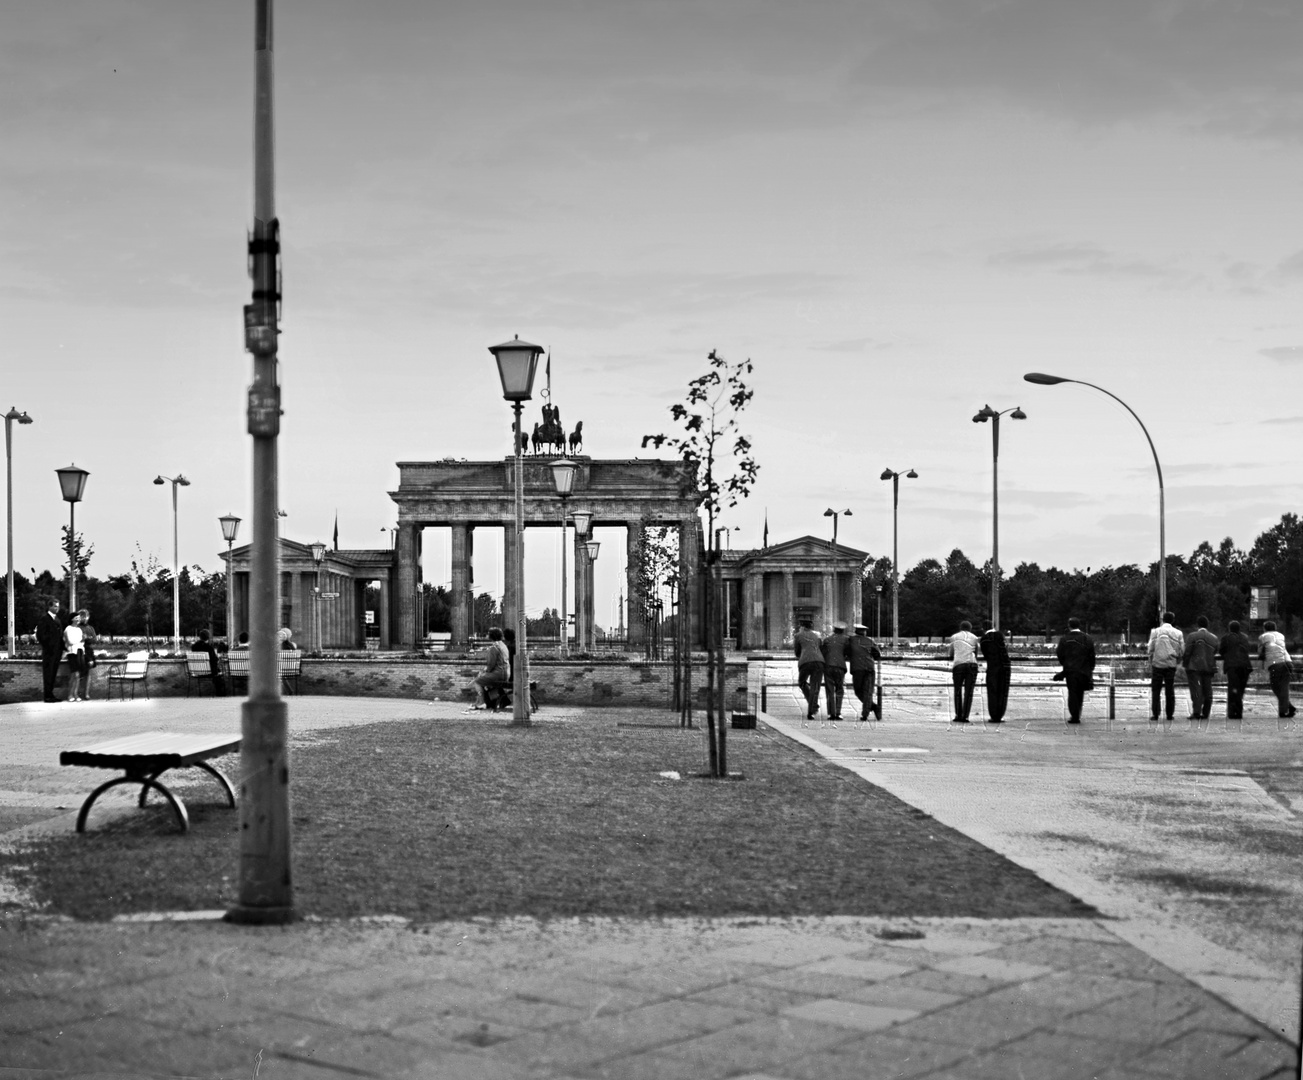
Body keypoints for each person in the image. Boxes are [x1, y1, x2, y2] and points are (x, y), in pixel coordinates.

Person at [1056, 617, 1096, 724]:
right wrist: (1090, 668)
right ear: (1079, 625)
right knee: (1080, 693)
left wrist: (1065, 664)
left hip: (1070, 670)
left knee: (1072, 692)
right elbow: (1092, 655)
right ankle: (1077, 713)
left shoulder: (1064, 639)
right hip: (1084, 670)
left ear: (1069, 625)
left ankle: (1074, 715)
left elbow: (1060, 654)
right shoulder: (1087, 638)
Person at [1147, 612, 1184, 722]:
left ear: (1162, 619)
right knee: (1170, 690)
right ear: (1173, 620)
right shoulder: (1178, 633)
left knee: (1156, 690)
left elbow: (1150, 648)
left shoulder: (1155, 632)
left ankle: (1155, 714)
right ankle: (1169, 714)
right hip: (1170, 664)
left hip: (1157, 664)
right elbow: (1182, 650)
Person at [1182, 616, 1219, 720]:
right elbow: (1215, 651)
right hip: (1208, 667)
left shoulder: (1192, 636)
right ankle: (1206, 713)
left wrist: (1185, 664)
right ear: (1208, 625)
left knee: (1196, 690)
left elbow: (1188, 651)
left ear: (1197, 625)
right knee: (1208, 690)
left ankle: (1196, 712)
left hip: (1194, 667)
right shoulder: (1214, 638)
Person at [1259, 621, 1296, 719]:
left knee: (1276, 687)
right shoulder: (1281, 635)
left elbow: (1260, 651)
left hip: (1276, 664)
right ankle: (1288, 707)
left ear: (1265, 628)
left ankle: (1284, 712)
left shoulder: (1263, 636)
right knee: (1283, 687)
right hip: (1288, 662)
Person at [1217, 620, 1253, 721]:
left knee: (1233, 689)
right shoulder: (1244, 637)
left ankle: (1233, 712)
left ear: (1229, 628)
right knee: (1241, 689)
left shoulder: (1226, 638)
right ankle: (1238, 711)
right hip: (1245, 666)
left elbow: (1221, 651)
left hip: (1232, 666)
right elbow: (1247, 648)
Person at [793, 616, 824, 725]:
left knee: (802, 682)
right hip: (819, 662)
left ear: (802, 626)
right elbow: (821, 647)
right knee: (815, 686)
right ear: (811, 626)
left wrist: (801, 655)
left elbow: (797, 651)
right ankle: (812, 710)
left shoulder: (798, 635)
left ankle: (812, 702)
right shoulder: (817, 635)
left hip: (805, 662)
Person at [846, 623, 881, 722]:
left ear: (856, 631)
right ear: (864, 632)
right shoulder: (870, 641)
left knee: (858, 691)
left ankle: (868, 711)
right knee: (868, 692)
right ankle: (871, 709)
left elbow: (847, 652)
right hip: (869, 668)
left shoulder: (851, 640)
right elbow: (877, 654)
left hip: (857, 669)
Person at [979, 621, 1011, 723]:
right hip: (1005, 665)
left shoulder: (983, 639)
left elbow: (985, 654)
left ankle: (993, 715)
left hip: (992, 666)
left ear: (983, 628)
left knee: (992, 691)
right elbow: (1004, 649)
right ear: (993, 626)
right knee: (1003, 691)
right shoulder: (1000, 635)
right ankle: (1000, 715)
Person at [471, 627, 511, 710]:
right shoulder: (503, 646)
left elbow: (490, 664)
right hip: (506, 673)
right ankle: (481, 702)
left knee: (477, 681)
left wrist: (484, 672)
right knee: (485, 681)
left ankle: (481, 703)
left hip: (498, 673)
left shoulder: (494, 647)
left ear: (491, 636)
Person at [948, 620, 980, 722]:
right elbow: (976, 652)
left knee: (957, 690)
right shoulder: (975, 638)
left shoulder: (954, 637)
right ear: (970, 628)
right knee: (969, 692)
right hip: (972, 665)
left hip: (959, 664)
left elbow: (951, 653)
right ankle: (965, 716)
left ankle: (958, 715)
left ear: (960, 628)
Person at [820, 623, 850, 725]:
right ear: (843, 631)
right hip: (840, 666)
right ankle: (838, 713)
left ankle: (830, 713)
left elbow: (822, 652)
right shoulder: (846, 640)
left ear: (834, 630)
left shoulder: (827, 640)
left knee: (829, 690)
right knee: (839, 689)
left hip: (828, 666)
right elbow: (847, 653)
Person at [35, 598, 63, 703]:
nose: (57, 608)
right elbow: (40, 635)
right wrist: (49, 645)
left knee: (53, 673)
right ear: (50, 607)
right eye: (55, 606)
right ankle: (47, 696)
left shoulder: (57, 619)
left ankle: (51, 694)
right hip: (49, 652)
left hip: (57, 652)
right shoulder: (44, 619)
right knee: (48, 673)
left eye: (58, 606)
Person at [190, 628, 228, 696]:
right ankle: (220, 696)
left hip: (196, 671)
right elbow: (215, 660)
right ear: (208, 637)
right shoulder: (209, 647)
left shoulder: (193, 647)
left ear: (200, 637)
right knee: (219, 677)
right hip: (208, 672)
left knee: (217, 674)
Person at [62, 610, 87, 702]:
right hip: (72, 653)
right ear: (72, 619)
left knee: (77, 675)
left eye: (79, 618)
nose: (78, 619)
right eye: (76, 617)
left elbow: (82, 642)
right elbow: (70, 641)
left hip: (79, 652)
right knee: (74, 674)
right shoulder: (68, 629)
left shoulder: (79, 629)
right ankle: (70, 694)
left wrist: (80, 641)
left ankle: (75, 694)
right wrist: (80, 640)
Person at [78, 609, 98, 700]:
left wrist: (86, 638)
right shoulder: (77, 627)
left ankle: (86, 693)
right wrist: (85, 638)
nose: (84, 618)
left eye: (86, 616)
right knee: (79, 674)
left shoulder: (90, 628)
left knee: (88, 673)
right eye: (82, 616)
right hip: (80, 650)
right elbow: (78, 639)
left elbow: (94, 639)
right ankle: (78, 693)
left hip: (89, 650)